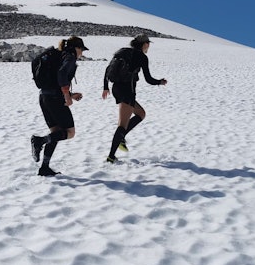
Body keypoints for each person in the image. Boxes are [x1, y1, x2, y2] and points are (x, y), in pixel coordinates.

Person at [102, 34, 167, 163]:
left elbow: (108, 69)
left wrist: (105, 87)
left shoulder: (122, 51)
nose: (148, 46)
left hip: (116, 88)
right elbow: (148, 79)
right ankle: (111, 157)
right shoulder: (142, 57)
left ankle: (121, 137)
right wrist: (160, 82)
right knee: (122, 125)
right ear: (144, 44)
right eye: (148, 43)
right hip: (127, 91)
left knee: (141, 113)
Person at [30, 36, 88, 176]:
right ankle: (39, 141)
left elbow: (55, 81)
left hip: (44, 97)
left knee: (56, 132)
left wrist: (70, 94)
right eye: (81, 49)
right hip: (55, 98)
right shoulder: (69, 57)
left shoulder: (57, 55)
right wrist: (67, 96)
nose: (82, 53)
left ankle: (44, 168)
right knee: (70, 132)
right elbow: (61, 74)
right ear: (76, 48)